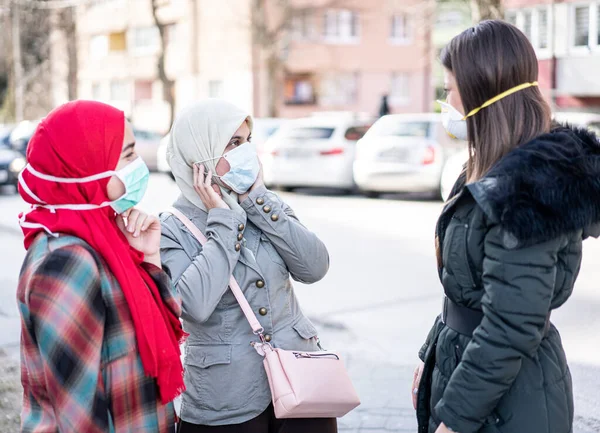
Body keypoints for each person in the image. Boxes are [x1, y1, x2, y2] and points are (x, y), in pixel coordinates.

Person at [413, 20, 600, 433]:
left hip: (511, 403)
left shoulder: (528, 188)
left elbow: (510, 325)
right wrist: (430, 355)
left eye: (450, 91)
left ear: (481, 96)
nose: (447, 103)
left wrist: (456, 418)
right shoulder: (484, 170)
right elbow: (464, 293)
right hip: (471, 373)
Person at [160, 99, 336, 433]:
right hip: (226, 401)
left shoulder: (262, 202)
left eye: (247, 141)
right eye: (233, 143)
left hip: (301, 383)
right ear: (200, 156)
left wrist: (258, 201)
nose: (246, 153)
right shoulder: (173, 227)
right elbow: (194, 305)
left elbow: (315, 267)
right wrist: (224, 221)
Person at [17, 100, 186, 432]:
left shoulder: (106, 238)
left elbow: (163, 330)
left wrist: (148, 259)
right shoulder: (65, 262)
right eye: (127, 154)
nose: (139, 165)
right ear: (85, 165)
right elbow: (78, 415)